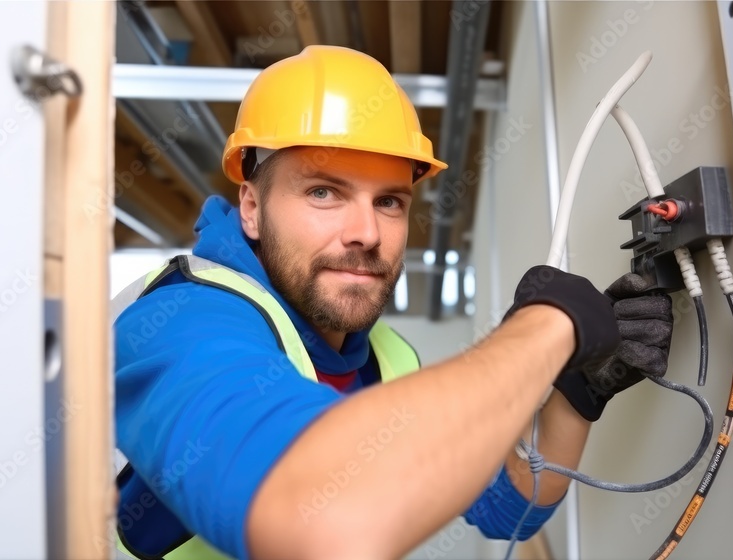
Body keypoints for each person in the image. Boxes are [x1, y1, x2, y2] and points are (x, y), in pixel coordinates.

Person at [112, 45, 674, 560]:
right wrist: (550, 328)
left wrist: (579, 390)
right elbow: (321, 519)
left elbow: (512, 505)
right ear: (252, 208)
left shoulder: (384, 356)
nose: (366, 233)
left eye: (389, 201)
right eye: (323, 191)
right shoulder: (180, 320)